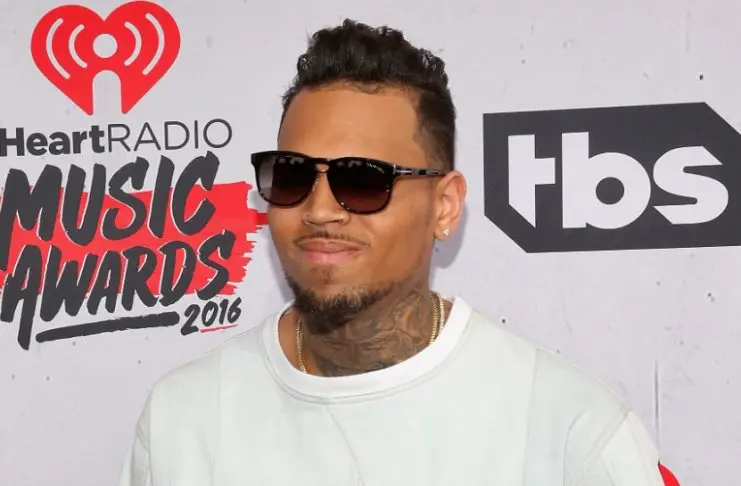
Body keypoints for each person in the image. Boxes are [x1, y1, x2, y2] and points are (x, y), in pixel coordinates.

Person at [119, 19, 670, 486]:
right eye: (292, 175)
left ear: (444, 206)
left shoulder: (570, 429)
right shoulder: (183, 420)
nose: (320, 210)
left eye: (362, 180)